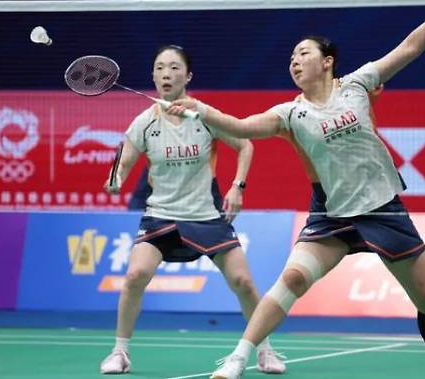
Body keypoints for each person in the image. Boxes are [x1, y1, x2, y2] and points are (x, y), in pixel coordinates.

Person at [165, 0, 425, 378]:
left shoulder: (358, 84)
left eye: (303, 53)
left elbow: (410, 48)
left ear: (327, 61)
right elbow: (242, 127)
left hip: (382, 208)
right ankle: (238, 359)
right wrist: (199, 109)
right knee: (292, 278)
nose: (294, 61)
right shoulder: (289, 113)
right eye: (291, 58)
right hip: (332, 214)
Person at [99, 44, 286, 375]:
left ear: (187, 76)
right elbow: (124, 163)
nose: (166, 74)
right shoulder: (144, 122)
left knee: (243, 281)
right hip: (160, 214)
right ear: (153, 76)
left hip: (205, 215)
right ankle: (120, 352)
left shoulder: (203, 115)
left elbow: (245, 145)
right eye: (160, 68)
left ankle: (265, 350)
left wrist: (238, 186)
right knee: (135, 276)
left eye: (174, 68)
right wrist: (116, 178)